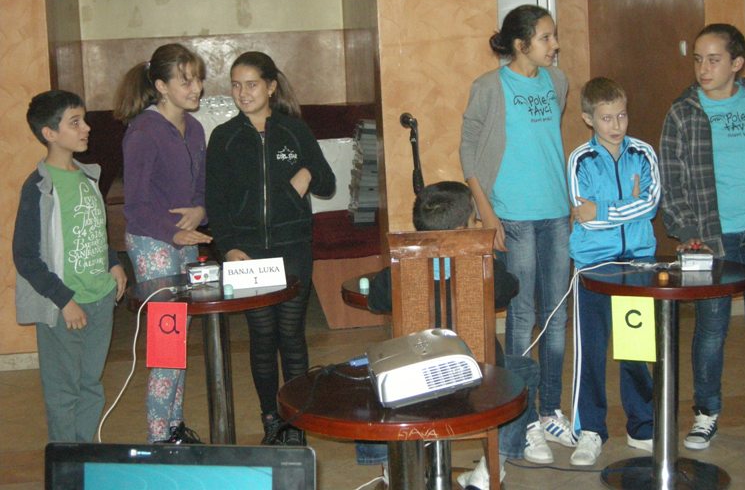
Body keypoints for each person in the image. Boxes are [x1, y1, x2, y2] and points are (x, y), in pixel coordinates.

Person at [659, 23, 745, 460]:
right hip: (713, 240)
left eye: (714, 60)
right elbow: (672, 182)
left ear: (737, 63)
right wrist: (688, 233)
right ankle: (706, 413)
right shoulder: (683, 112)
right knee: (711, 328)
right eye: (698, 59)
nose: (704, 68)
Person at [359, 181, 540, 490]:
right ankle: (491, 469)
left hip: (411, 387)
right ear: (461, 229)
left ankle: (393, 467)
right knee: (526, 371)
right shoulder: (484, 266)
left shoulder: (398, 270)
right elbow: (509, 290)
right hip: (478, 385)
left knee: (370, 377)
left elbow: (376, 300)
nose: (478, 224)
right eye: (473, 220)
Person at [460, 4, 574, 464]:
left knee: (557, 315)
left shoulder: (558, 82)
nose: (555, 45)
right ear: (520, 44)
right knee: (523, 314)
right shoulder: (489, 87)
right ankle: (523, 421)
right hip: (514, 216)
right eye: (546, 38)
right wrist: (487, 214)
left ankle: (550, 410)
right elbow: (469, 150)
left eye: (553, 36)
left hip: (557, 213)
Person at [205, 51, 335, 446]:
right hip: (247, 253)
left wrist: (306, 173)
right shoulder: (224, 137)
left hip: (292, 247)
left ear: (271, 87)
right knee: (262, 336)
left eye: (252, 84)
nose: (243, 93)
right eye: (236, 85)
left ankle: (296, 419)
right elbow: (216, 202)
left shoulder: (294, 131)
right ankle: (271, 419)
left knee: (291, 335)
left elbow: (327, 182)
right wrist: (227, 248)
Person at [13, 90, 127, 442]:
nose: (86, 128)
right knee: (64, 390)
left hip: (100, 299)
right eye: (75, 122)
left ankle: (86, 453)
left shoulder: (88, 177)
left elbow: (94, 230)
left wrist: (113, 263)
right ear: (49, 133)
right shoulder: (39, 188)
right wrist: (64, 300)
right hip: (65, 306)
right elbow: (25, 256)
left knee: (91, 383)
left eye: (84, 120)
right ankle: (66, 461)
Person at [114, 43, 212, 444]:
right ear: (161, 86)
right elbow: (135, 208)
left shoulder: (196, 129)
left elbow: (201, 189)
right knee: (166, 345)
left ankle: (175, 427)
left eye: (198, 79)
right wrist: (174, 232)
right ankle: (158, 440)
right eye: (185, 81)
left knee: (178, 344)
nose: (196, 88)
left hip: (184, 241)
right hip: (152, 242)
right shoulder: (143, 132)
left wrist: (200, 210)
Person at [566, 77, 658, 466]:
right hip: (594, 266)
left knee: (636, 349)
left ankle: (642, 427)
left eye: (621, 115)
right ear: (589, 119)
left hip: (637, 262)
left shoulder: (643, 153)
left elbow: (651, 204)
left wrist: (604, 209)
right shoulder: (580, 160)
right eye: (606, 118)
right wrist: (626, 206)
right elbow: (583, 215)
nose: (616, 125)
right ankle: (590, 430)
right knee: (592, 350)